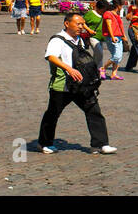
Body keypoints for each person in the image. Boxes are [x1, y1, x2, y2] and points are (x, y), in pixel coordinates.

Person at [38, 12, 116, 155]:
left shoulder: (79, 40)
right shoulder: (57, 40)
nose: (81, 27)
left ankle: (100, 144)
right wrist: (69, 69)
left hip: (81, 84)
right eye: (78, 24)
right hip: (63, 85)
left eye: (82, 24)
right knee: (52, 114)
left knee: (94, 110)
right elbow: (51, 56)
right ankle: (45, 143)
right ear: (67, 24)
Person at [99, 0, 126, 80]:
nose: (122, 8)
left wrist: (124, 36)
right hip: (113, 37)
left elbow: (120, 26)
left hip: (119, 36)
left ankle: (114, 74)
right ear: (118, 6)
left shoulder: (116, 15)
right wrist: (112, 36)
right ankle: (103, 68)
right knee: (116, 56)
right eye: (122, 6)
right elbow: (109, 26)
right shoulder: (108, 13)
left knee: (119, 57)